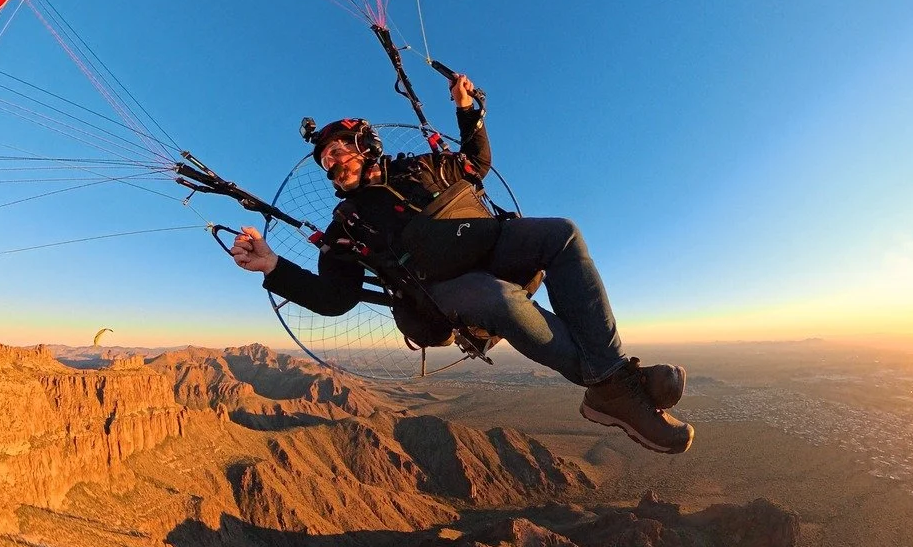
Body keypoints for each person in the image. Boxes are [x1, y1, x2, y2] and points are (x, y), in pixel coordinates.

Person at [229, 71, 694, 454]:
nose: (331, 163)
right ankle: (619, 385)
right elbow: (335, 299)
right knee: (499, 299)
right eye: (325, 160)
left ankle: (611, 380)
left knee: (562, 233)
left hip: (493, 246)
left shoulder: (422, 166)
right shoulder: (346, 225)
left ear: (364, 144)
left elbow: (476, 164)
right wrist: (273, 267)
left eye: (338, 150)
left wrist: (466, 108)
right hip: (441, 291)